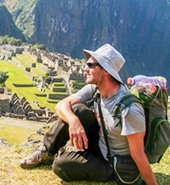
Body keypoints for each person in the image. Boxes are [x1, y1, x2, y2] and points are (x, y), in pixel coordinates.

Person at [20, 44, 158, 185]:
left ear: (106, 71)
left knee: (60, 165)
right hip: (97, 144)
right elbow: (61, 105)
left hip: (111, 162)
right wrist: (74, 122)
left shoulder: (129, 109)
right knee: (77, 110)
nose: (85, 68)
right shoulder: (94, 89)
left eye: (91, 65)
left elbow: (138, 154)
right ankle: (46, 152)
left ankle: (73, 158)